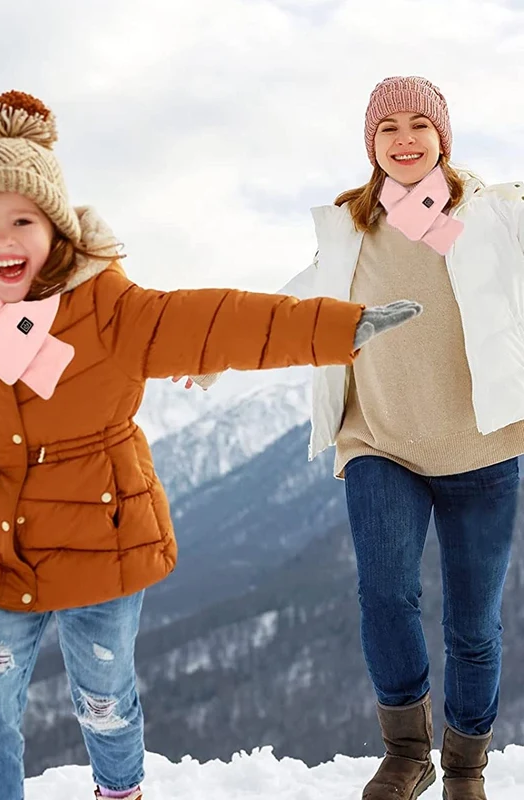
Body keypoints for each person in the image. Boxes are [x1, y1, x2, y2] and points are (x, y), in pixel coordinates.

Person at [0, 90, 418, 800]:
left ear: (57, 230)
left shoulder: (111, 311)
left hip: (102, 539)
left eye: (23, 219)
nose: (4, 238)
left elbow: (223, 323)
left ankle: (120, 791)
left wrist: (340, 327)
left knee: (103, 699)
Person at [182, 77, 523, 800]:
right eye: (388, 127)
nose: (404, 139)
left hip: (484, 447)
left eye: (418, 126)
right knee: (384, 594)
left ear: (442, 138)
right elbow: (287, 303)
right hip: (381, 441)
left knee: (474, 622)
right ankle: (408, 754)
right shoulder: (352, 229)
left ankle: (466, 766)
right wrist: (213, 352)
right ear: (371, 143)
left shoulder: (491, 217)